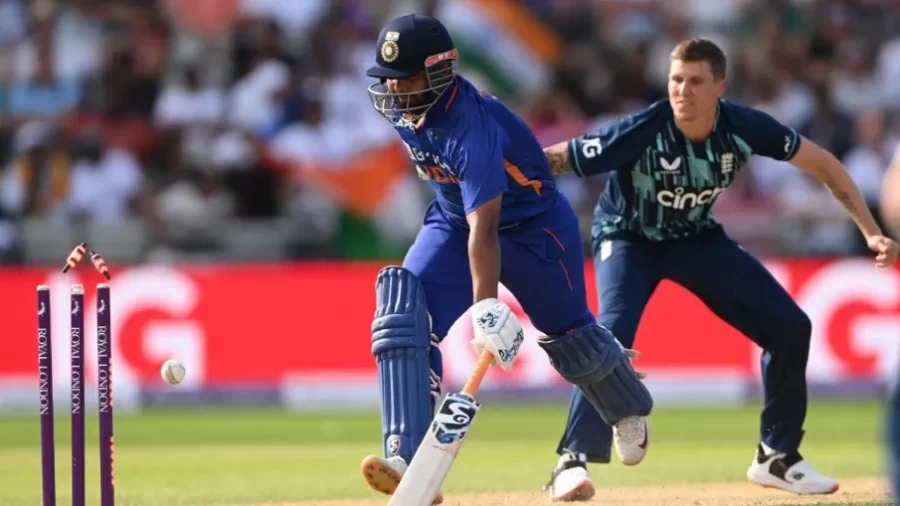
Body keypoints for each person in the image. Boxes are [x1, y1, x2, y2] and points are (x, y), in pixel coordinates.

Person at [541, 37, 900, 498]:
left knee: (791, 328)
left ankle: (777, 456)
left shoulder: (744, 126)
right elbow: (560, 158)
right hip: (627, 235)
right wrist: (497, 164)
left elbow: (824, 164)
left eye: (695, 81)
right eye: (675, 80)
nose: (682, 91)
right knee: (609, 333)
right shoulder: (643, 128)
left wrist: (870, 231)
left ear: (720, 87)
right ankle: (571, 460)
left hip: (694, 237)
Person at [360, 14, 653, 504]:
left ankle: (628, 406)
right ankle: (407, 456)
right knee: (403, 311)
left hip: (533, 228)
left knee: (572, 339)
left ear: (439, 72)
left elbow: (487, 226)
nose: (394, 88)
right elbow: (468, 219)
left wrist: (484, 306)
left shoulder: (470, 127)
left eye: (405, 77)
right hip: (453, 222)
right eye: (388, 78)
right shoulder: (406, 107)